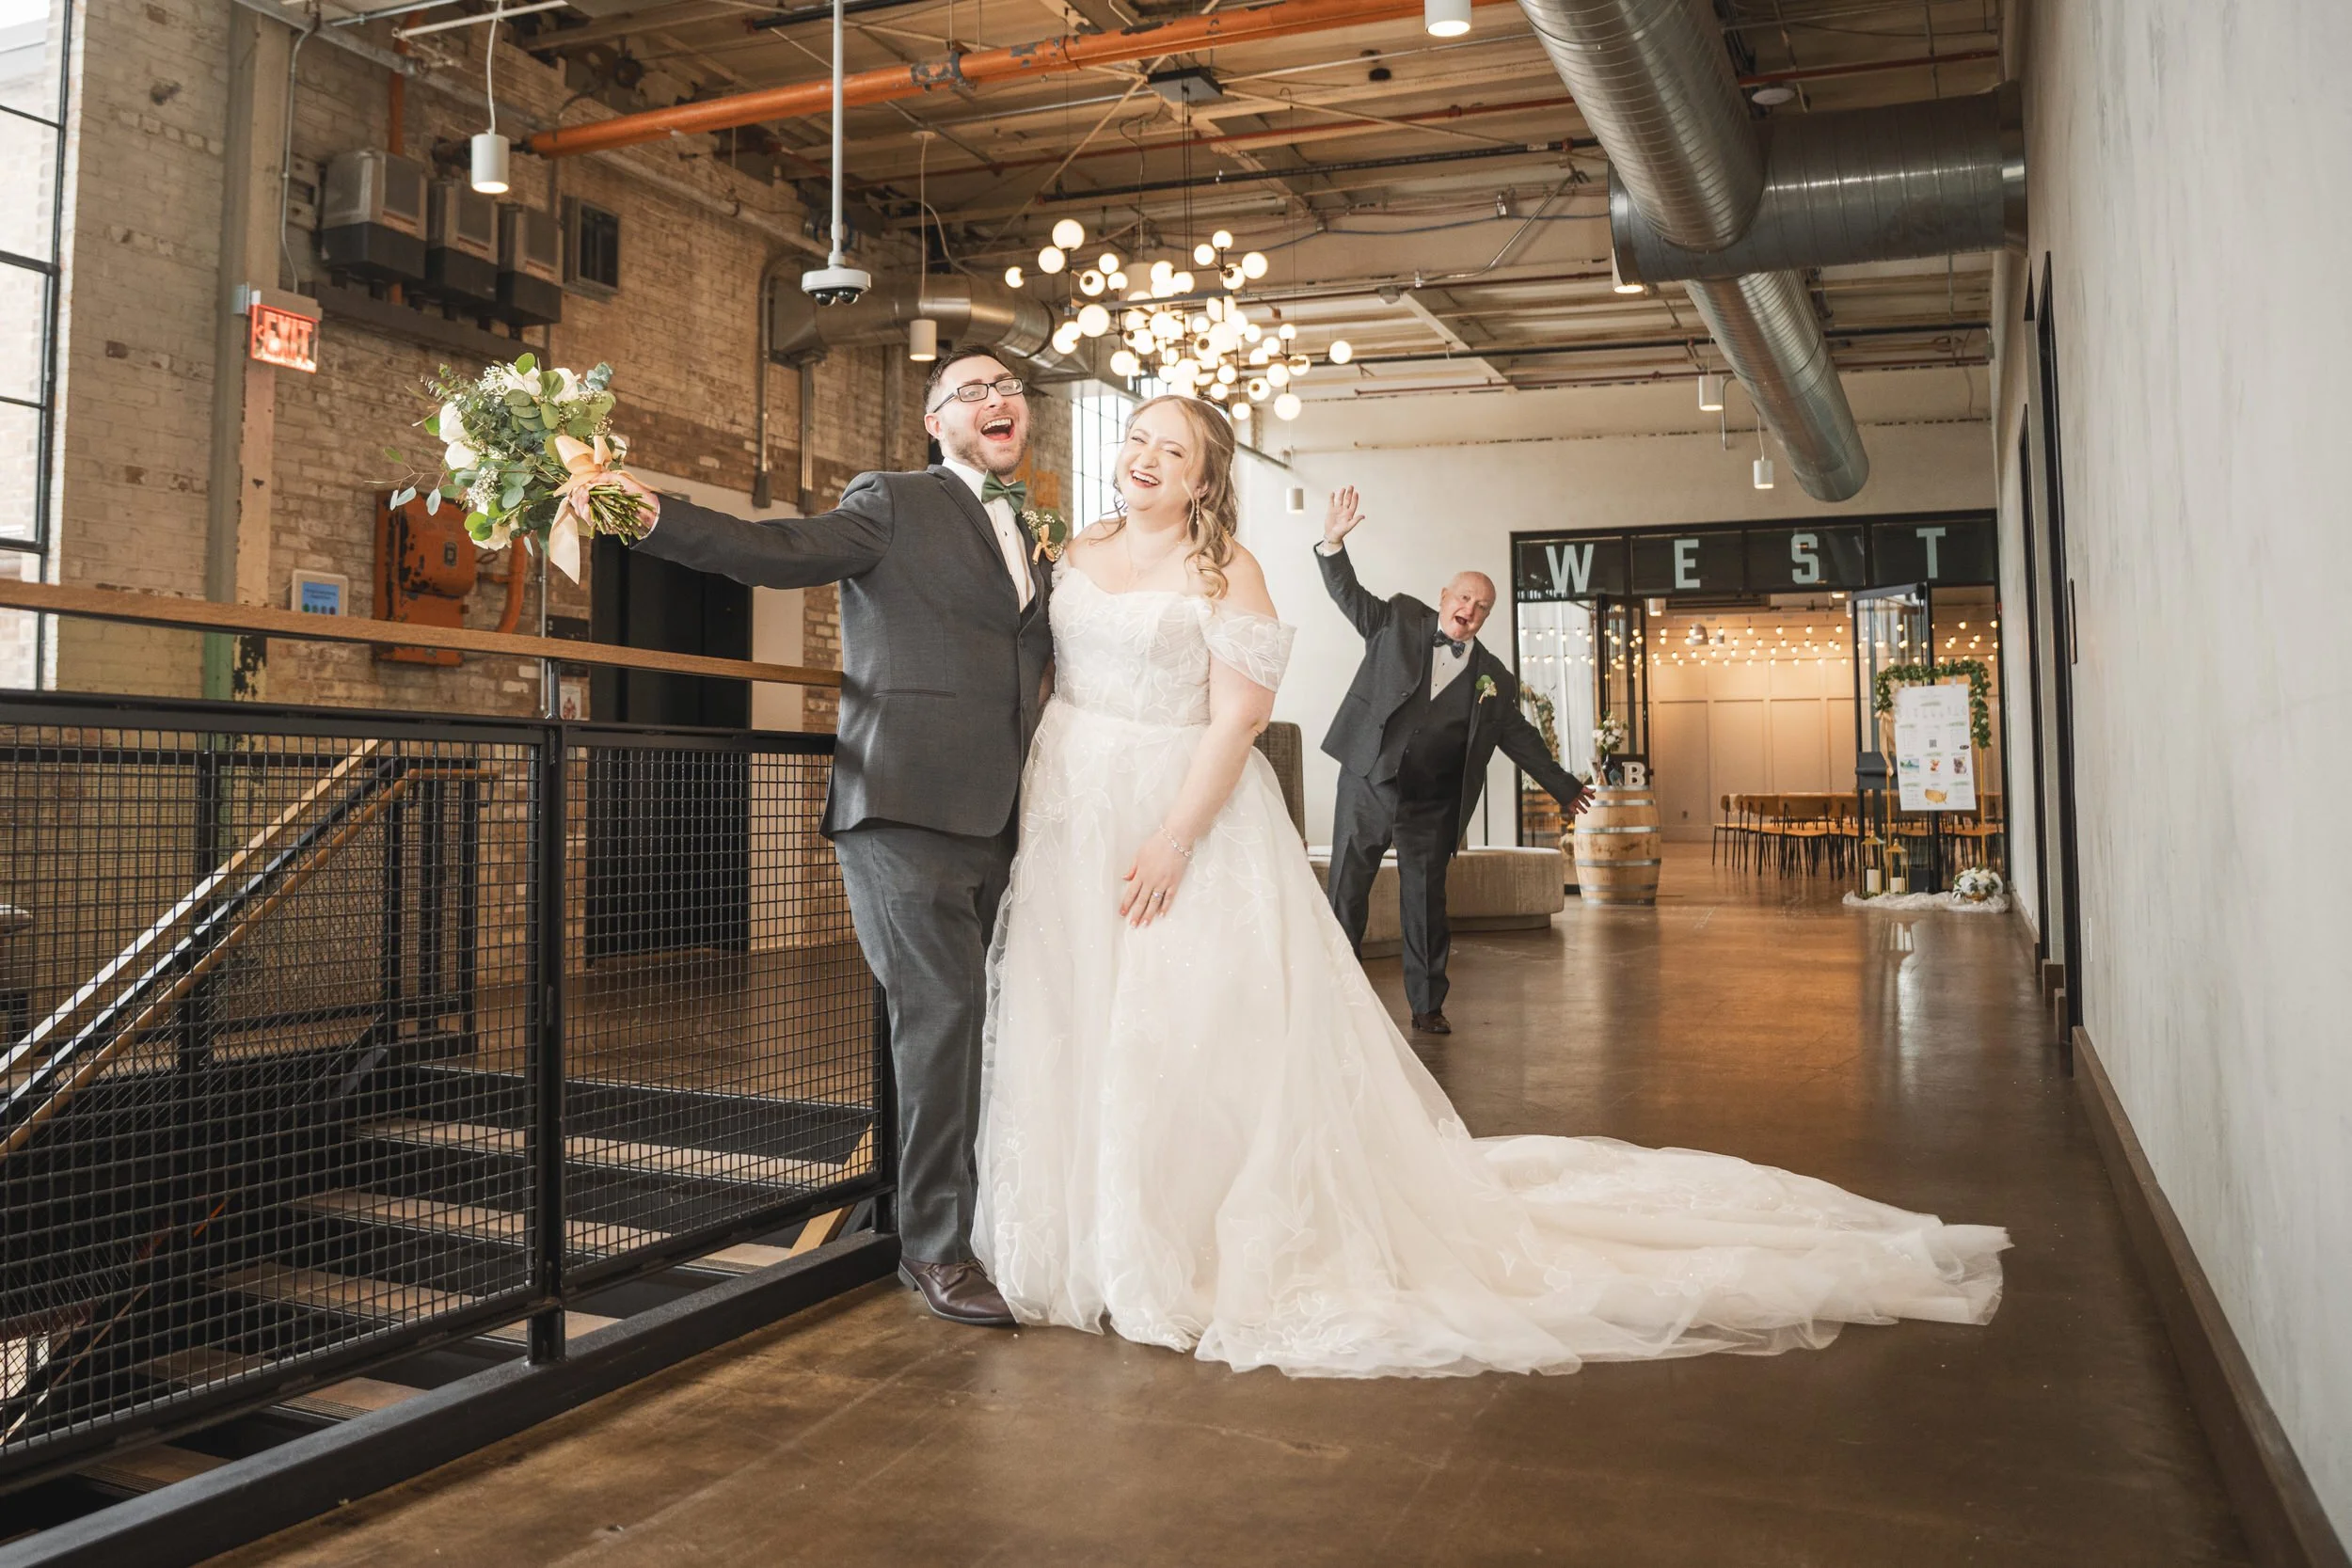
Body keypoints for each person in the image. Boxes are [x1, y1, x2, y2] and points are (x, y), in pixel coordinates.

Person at [974, 393, 2006, 1378]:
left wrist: (1171, 838)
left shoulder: (1231, 571)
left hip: (1178, 808)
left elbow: (1238, 718)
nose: (1143, 456)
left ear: (1203, 482)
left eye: (1172, 448)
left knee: (1177, 1025)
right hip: (1074, 810)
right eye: (1137, 438)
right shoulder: (1073, 550)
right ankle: (1078, 1227)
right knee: (1076, 1012)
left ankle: (1172, 1234)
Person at [618, 349, 1050, 1327]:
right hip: (900, 806)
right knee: (941, 1016)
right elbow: (776, 551)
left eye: (1009, 389)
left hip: (1005, 816)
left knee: (982, 1025)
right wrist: (647, 515)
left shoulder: (1035, 527)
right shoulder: (893, 500)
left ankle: (958, 1209)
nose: (997, 400)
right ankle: (934, 1247)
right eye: (971, 391)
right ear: (934, 422)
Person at [1315, 492, 1591, 1035]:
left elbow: (1520, 738)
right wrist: (1333, 543)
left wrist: (1564, 788)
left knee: (1424, 904)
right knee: (1348, 888)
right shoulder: (1396, 618)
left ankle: (1426, 1006)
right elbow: (1350, 596)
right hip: (1370, 778)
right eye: (1464, 596)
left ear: (1487, 615)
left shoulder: (1495, 678)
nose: (1471, 609)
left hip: (1432, 803)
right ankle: (1335, 993)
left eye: (1483, 605)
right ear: (1445, 597)